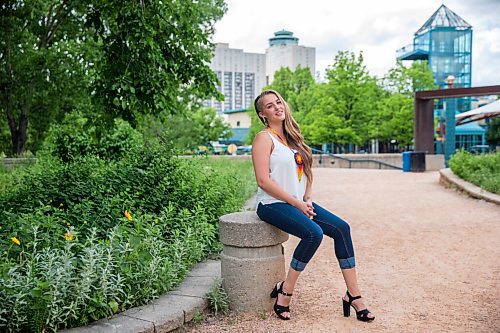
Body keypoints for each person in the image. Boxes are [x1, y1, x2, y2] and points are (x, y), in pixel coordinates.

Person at [251, 89, 375, 322]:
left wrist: (306, 198)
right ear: (262, 114)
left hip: (298, 202)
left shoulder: (292, 138)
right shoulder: (263, 138)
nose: (277, 107)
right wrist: (297, 203)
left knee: (341, 229)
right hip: (272, 204)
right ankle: (285, 292)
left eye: (279, 102)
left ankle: (354, 295)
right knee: (313, 234)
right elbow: (263, 181)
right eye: (270, 106)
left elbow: (305, 171)